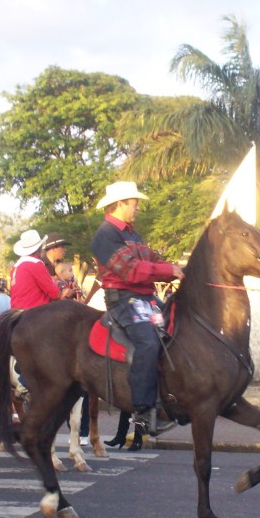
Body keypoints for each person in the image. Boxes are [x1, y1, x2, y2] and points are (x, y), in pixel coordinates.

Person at [90, 180, 184, 442]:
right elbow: (131, 270)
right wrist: (169, 270)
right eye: (134, 203)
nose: (138, 207)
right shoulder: (105, 235)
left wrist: (179, 270)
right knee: (148, 343)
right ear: (119, 204)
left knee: (179, 329)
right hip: (123, 300)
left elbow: (153, 261)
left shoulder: (133, 234)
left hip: (145, 299)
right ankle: (142, 412)